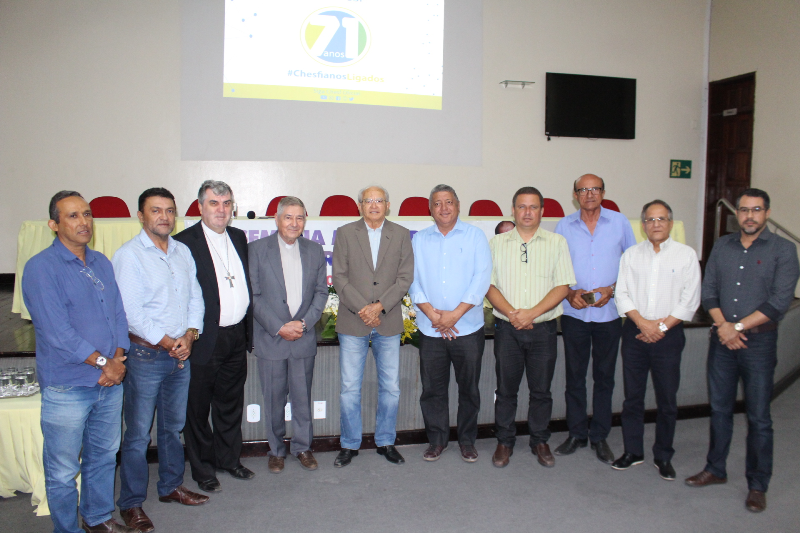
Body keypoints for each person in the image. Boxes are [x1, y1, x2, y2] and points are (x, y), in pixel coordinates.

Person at [22, 191, 137, 533]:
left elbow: (118, 315)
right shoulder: (41, 268)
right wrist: (105, 363)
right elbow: (57, 333)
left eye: (87, 214)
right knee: (62, 470)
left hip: (108, 382)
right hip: (68, 386)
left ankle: (98, 518)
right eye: (73, 216)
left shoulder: (101, 262)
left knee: (103, 458)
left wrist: (117, 358)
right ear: (53, 225)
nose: (84, 221)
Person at [686, 188, 799, 512]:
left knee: (759, 417)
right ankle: (715, 469)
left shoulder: (784, 249)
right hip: (722, 343)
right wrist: (725, 327)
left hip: (759, 344)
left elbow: (779, 301)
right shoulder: (723, 245)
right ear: (737, 213)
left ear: (767, 213)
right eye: (745, 210)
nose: (750, 216)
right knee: (720, 410)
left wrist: (735, 328)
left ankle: (758, 485)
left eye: (757, 210)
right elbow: (709, 291)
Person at [113, 188, 208, 533]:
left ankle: (170, 486)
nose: (164, 217)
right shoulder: (129, 256)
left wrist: (190, 336)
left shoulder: (182, 251)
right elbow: (132, 313)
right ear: (141, 216)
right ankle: (131, 503)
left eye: (169, 210)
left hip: (179, 354)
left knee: (172, 427)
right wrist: (170, 342)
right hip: (145, 355)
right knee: (138, 434)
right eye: (156, 210)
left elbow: (195, 297)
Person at [486, 186, 576, 468]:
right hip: (507, 329)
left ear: (542, 211)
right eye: (522, 206)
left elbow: (562, 286)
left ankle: (539, 440)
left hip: (543, 329)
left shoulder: (557, 242)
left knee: (541, 391)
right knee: (506, 390)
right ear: (512, 210)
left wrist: (532, 314)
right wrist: (513, 314)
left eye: (533, 207)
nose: (527, 212)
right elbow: (488, 285)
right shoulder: (496, 243)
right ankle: (504, 441)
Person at [611, 200, 700, 481]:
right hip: (635, 333)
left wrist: (659, 327)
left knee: (667, 399)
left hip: (668, 336)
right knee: (632, 398)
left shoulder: (686, 255)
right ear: (643, 225)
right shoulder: (631, 255)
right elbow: (621, 294)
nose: (656, 224)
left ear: (670, 223)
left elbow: (690, 300)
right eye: (650, 220)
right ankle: (633, 452)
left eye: (661, 219)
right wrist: (643, 323)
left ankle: (663, 455)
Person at [174, 180, 254, 493]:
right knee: (197, 409)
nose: (221, 210)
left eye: (226, 203)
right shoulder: (184, 243)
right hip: (203, 339)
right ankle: (204, 469)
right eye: (214, 203)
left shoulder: (239, 236)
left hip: (236, 336)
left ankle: (229, 460)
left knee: (230, 404)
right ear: (200, 207)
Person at [553, 174, 636, 464]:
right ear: (575, 194)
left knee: (604, 378)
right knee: (575, 377)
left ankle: (599, 436)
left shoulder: (620, 223)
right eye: (583, 190)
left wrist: (611, 289)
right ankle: (577, 433)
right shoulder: (564, 225)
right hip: (574, 313)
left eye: (595, 189)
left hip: (609, 314)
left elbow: (633, 264)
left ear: (603, 192)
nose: (589, 194)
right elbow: (555, 267)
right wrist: (568, 293)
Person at [332, 186, 414, 467]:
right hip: (352, 320)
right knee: (349, 388)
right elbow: (339, 278)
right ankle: (349, 444)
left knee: (390, 388)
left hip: (387, 320)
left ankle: (386, 441)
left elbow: (404, 278)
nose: (374, 205)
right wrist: (364, 309)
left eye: (379, 200)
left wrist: (379, 306)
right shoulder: (345, 233)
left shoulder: (401, 234)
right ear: (360, 205)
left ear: (388, 205)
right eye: (369, 200)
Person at [409, 184, 492, 462]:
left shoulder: (475, 236)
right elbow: (411, 279)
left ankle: (467, 441)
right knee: (432, 390)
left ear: (458, 205)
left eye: (448, 202)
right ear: (430, 209)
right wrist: (432, 315)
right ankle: (437, 441)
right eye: (437, 203)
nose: (443, 208)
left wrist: (454, 315)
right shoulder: (419, 239)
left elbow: (481, 278)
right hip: (430, 328)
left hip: (467, 327)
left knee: (469, 389)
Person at [248, 196, 328, 473]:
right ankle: (276, 450)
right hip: (272, 338)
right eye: (288, 217)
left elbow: (321, 292)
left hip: (303, 337)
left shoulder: (315, 250)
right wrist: (279, 326)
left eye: (300, 218)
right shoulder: (257, 250)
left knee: (302, 398)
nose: (294, 223)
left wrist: (304, 324)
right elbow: (254, 295)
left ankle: (303, 447)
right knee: (273, 399)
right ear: (277, 219)